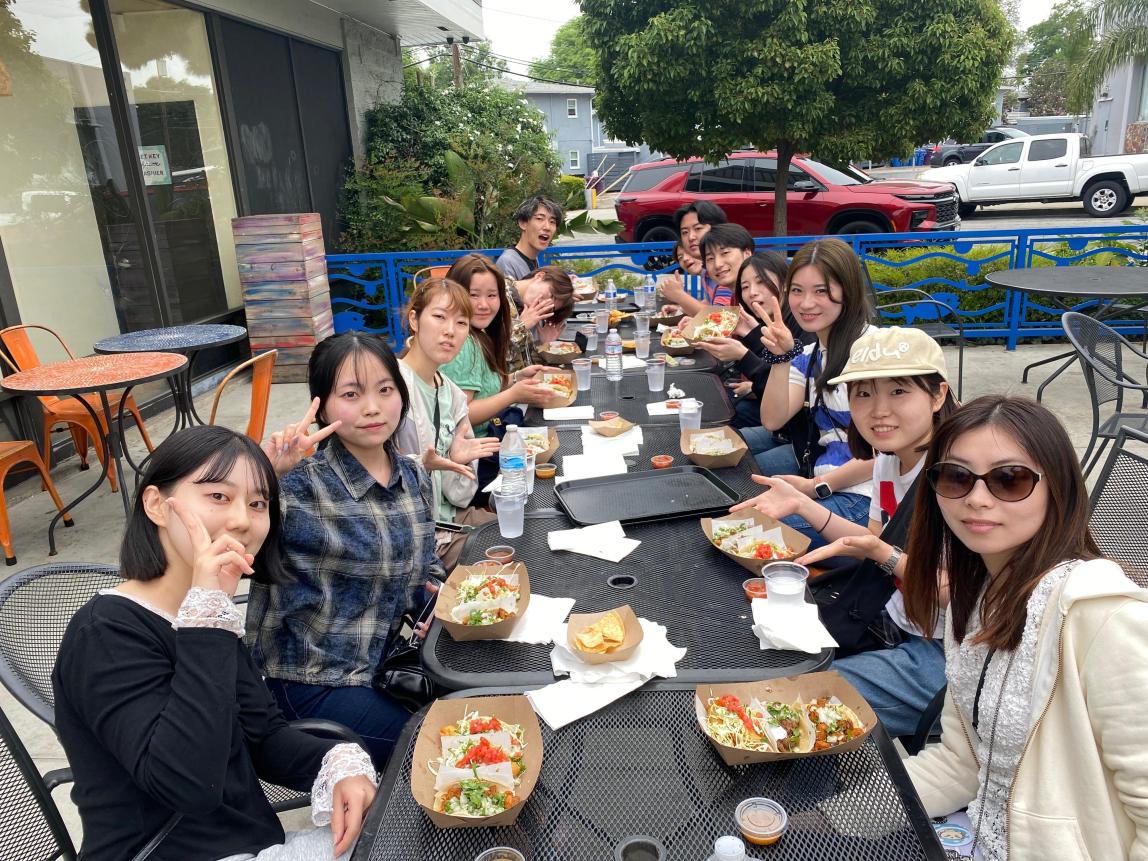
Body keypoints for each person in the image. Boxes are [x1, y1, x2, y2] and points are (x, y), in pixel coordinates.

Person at [52, 425, 377, 861]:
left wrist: (339, 763)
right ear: (156, 505)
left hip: (251, 843)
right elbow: (186, 784)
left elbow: (263, 736)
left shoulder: (206, 613)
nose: (242, 520)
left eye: (258, 503)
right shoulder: (105, 632)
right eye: (218, 497)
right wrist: (206, 618)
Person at [902, 395, 1148, 861]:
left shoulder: (1105, 619)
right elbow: (962, 764)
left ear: (1058, 488)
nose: (977, 498)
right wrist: (837, 818)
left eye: (1009, 479)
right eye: (956, 477)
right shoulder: (977, 597)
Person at [743, 327, 957, 735]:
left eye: (898, 392)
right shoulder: (889, 460)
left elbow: (960, 593)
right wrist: (805, 504)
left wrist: (886, 556)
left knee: (788, 711)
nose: (879, 410)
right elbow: (874, 542)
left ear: (938, 395)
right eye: (863, 394)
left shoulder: (960, 477)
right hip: (889, 619)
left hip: (945, 652)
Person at [247, 333, 445, 768]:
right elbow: (227, 549)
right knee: (439, 752)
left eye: (385, 390)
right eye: (351, 394)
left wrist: (442, 603)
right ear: (321, 405)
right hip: (314, 679)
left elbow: (428, 567)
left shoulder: (413, 475)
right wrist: (262, 482)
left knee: (493, 705)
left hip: (397, 665)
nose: (372, 407)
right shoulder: (297, 485)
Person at [749, 237, 876, 545]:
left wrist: (818, 486)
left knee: (747, 535)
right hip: (824, 488)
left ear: (849, 291)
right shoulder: (809, 353)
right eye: (797, 291)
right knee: (737, 511)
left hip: (864, 501)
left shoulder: (872, 354)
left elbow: (887, 455)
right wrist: (781, 358)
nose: (806, 303)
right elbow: (773, 420)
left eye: (821, 291)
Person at [394, 277, 500, 563]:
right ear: (414, 320)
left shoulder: (450, 393)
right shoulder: (391, 387)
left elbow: (460, 496)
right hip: (415, 538)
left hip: (450, 519)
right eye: (439, 317)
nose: (450, 331)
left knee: (528, 534)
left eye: (461, 323)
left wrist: (460, 460)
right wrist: (422, 466)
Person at [440, 255, 560, 438]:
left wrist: (515, 378)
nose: (484, 305)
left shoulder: (481, 334)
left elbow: (482, 388)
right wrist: (513, 395)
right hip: (477, 454)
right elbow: (462, 414)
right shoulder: (463, 343)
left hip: (494, 436)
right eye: (473, 295)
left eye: (491, 295)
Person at [697, 253, 807, 432]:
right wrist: (751, 334)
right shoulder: (766, 320)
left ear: (786, 283)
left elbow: (784, 396)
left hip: (797, 434)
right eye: (745, 287)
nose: (752, 292)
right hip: (785, 428)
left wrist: (744, 356)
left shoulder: (802, 324)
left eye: (761, 281)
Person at [502, 265, 576, 375]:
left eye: (550, 307)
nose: (543, 304)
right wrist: (521, 326)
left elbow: (525, 365)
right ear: (540, 276)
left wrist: (544, 345)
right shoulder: (498, 295)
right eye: (550, 296)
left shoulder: (523, 307)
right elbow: (489, 356)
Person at [658, 201, 729, 314]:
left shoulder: (726, 269)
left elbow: (720, 317)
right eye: (685, 232)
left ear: (718, 229)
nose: (691, 237)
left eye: (698, 229)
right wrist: (682, 308)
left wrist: (679, 296)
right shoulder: (707, 271)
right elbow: (712, 304)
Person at [495, 195, 563, 280]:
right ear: (523, 223)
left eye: (552, 221)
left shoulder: (533, 258)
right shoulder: (507, 263)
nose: (547, 227)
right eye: (539, 219)